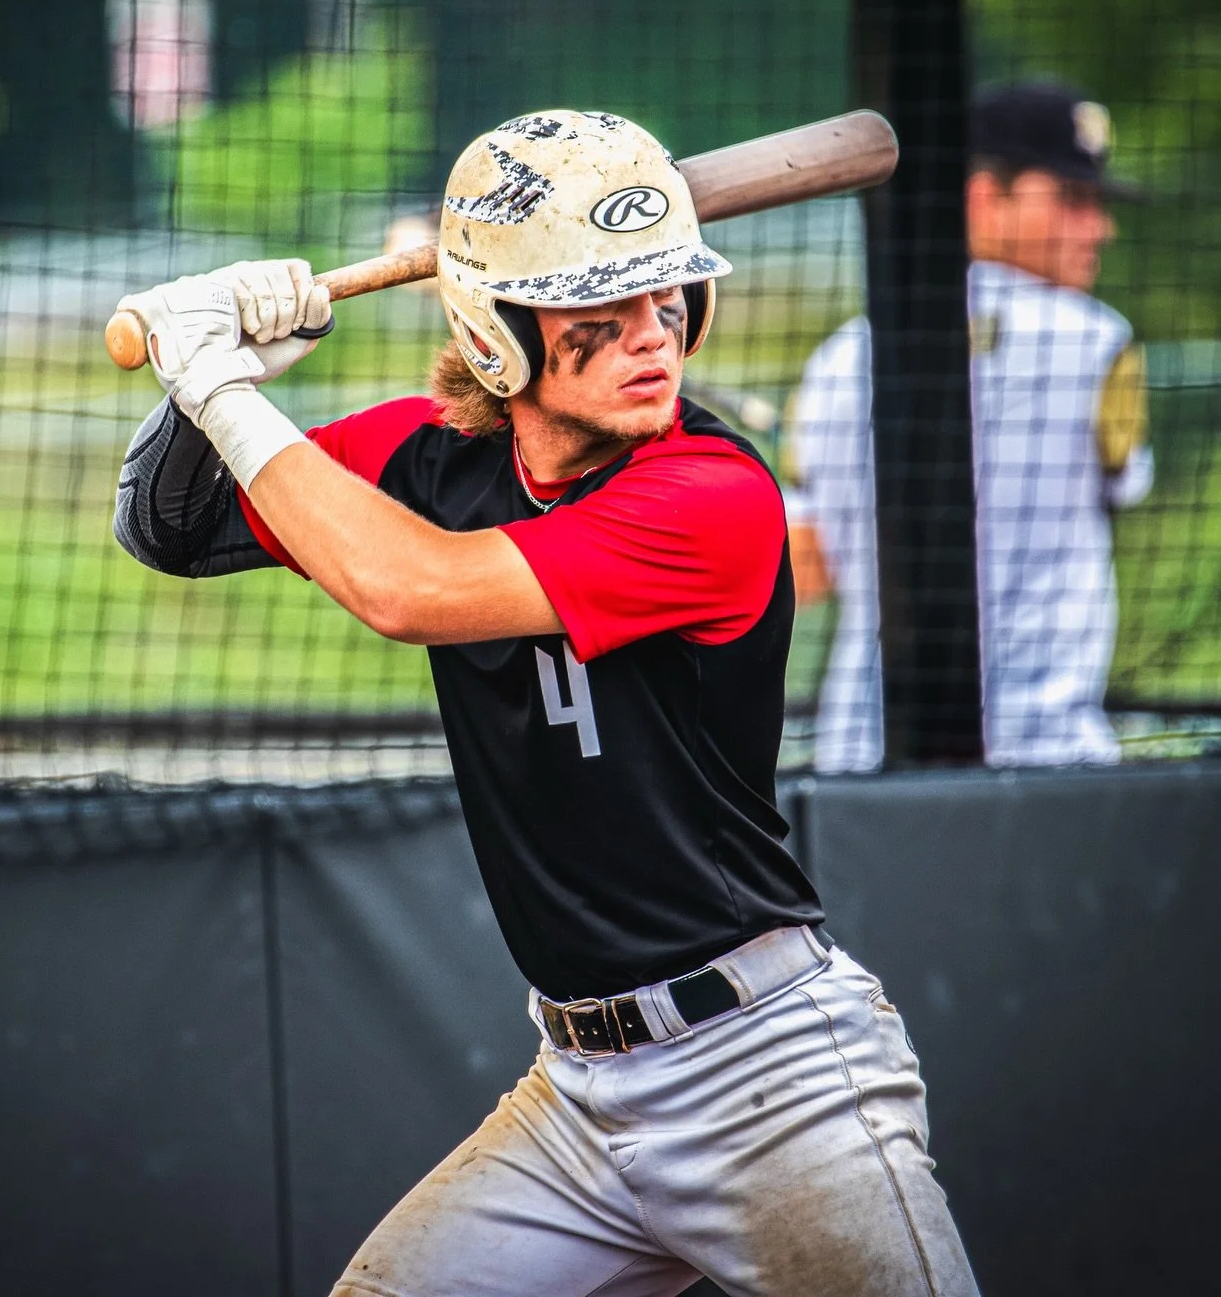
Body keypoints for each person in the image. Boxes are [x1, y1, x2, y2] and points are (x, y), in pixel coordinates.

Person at [114, 110, 977, 1295]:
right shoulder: (430, 458)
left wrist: (219, 385)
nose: (652, 341)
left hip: (770, 1079)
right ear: (497, 335)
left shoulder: (712, 492)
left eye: (668, 301)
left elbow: (407, 587)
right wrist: (217, 379)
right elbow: (170, 527)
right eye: (600, 317)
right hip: (580, 1103)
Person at [786, 80, 1154, 772]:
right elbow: (1124, 486)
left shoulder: (837, 360)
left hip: (862, 762)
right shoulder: (1101, 342)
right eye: (1072, 201)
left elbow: (806, 570)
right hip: (1049, 762)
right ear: (984, 196)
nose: (1098, 227)